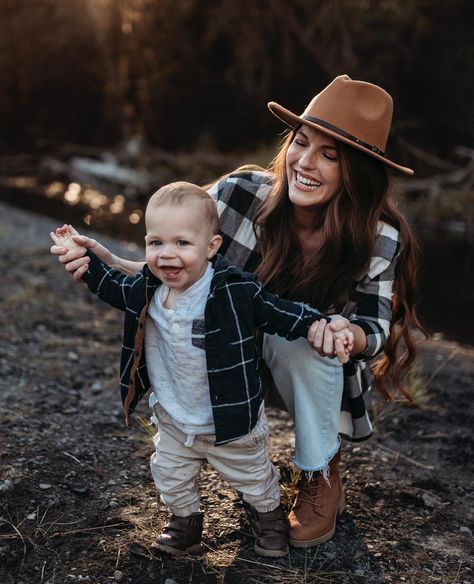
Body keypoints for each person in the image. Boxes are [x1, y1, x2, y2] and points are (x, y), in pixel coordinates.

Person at [51, 75, 424, 549]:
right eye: (300, 143)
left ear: (359, 173)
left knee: (308, 333)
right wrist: (103, 259)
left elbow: (374, 329)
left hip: (306, 369)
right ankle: (191, 499)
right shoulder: (238, 193)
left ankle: (320, 471)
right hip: (221, 358)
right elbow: (173, 260)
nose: (305, 163)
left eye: (329, 156)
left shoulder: (379, 237)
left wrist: (343, 331)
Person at [51, 181, 353, 558]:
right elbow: (112, 286)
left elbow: (278, 312)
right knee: (171, 474)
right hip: (176, 416)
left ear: (211, 247)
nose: (166, 256)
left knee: (254, 478)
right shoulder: (149, 287)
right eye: (156, 243)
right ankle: (185, 526)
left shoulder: (234, 289)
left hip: (230, 419)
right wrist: (85, 258)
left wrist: (316, 325)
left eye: (182, 243)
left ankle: (268, 519)